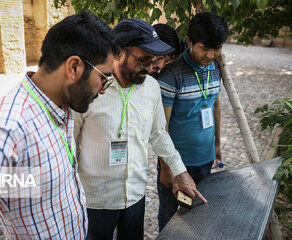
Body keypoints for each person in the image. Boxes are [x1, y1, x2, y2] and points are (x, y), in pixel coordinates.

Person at [0, 11, 119, 239]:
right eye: (104, 78)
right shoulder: (7, 129)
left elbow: (25, 186)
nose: (103, 90)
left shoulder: (62, 105)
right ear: (74, 68)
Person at [74, 18, 206, 240]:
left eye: (154, 59)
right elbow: (69, 144)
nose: (153, 66)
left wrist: (179, 172)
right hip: (95, 201)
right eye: (143, 59)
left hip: (135, 196)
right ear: (118, 53)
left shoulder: (152, 88)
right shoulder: (90, 89)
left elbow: (158, 133)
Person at [157, 12, 229, 231]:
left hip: (205, 159)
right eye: (205, 48)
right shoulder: (171, 74)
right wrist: (167, 167)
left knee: (199, 215)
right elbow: (162, 126)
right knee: (171, 219)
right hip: (178, 164)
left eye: (217, 49)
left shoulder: (215, 68)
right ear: (189, 41)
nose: (211, 54)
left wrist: (216, 144)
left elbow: (215, 105)